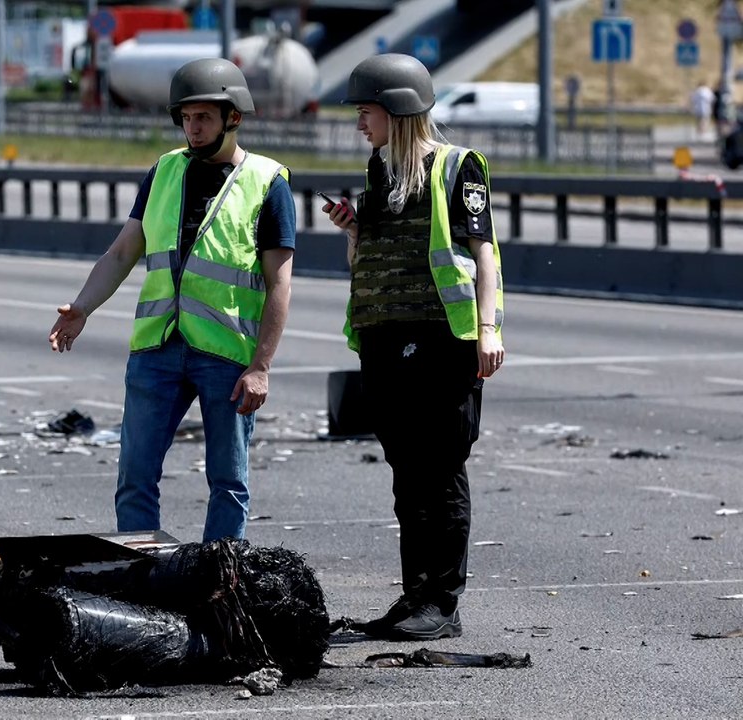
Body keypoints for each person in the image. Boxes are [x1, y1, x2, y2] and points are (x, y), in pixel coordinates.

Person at [48, 58, 296, 543]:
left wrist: (261, 366)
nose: (193, 127)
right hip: (157, 349)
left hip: (226, 355)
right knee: (135, 477)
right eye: (185, 117)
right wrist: (82, 307)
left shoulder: (268, 183)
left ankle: (218, 576)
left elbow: (280, 284)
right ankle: (143, 576)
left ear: (233, 117)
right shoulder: (164, 171)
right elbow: (123, 252)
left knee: (228, 482)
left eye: (203, 117)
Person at [323, 53, 505, 641]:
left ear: (397, 110)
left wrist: (488, 329)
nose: (359, 123)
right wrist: (354, 230)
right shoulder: (378, 171)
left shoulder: (458, 168)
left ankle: (443, 605)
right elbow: (368, 258)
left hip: (442, 338)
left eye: (366, 111)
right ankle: (416, 597)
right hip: (383, 336)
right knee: (407, 474)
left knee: (440, 469)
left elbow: (483, 256)